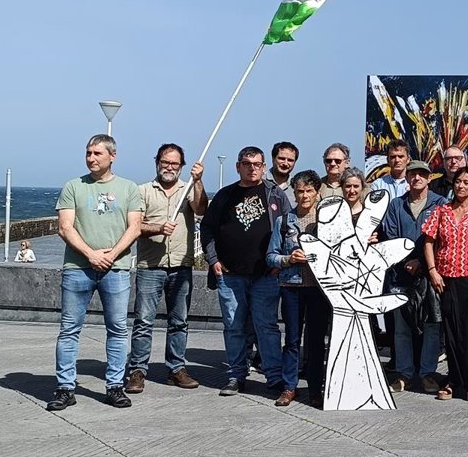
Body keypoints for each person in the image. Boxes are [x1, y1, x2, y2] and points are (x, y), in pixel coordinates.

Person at [47, 135, 144, 412]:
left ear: (112, 156)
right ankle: (65, 388)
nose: (91, 158)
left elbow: (135, 227)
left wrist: (111, 255)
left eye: (97, 153)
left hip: (117, 269)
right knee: (69, 330)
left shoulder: (128, 188)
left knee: (117, 329)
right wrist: (91, 254)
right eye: (88, 153)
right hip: (78, 269)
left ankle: (114, 386)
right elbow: (65, 227)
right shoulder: (73, 186)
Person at [200, 146, 293, 398]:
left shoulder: (275, 194)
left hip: (266, 275)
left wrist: (280, 262)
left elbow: (290, 229)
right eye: (247, 164)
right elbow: (207, 228)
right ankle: (236, 376)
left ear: (264, 167)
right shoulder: (224, 195)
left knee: (267, 327)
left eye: (257, 164)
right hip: (230, 275)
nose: (252, 168)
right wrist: (213, 260)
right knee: (234, 327)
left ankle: (274, 377)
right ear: (238, 166)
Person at [125, 144, 207, 394]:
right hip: (150, 266)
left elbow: (201, 208)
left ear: (181, 166)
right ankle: (137, 370)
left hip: (181, 266)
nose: (170, 167)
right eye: (165, 162)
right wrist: (158, 228)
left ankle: (176, 369)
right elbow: (135, 226)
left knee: (179, 321)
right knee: (143, 321)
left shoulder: (188, 188)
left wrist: (198, 181)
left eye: (175, 163)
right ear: (157, 162)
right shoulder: (142, 191)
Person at [421, 167, 468, 401]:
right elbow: (428, 241)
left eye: (466, 182)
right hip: (446, 279)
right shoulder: (441, 211)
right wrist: (432, 271)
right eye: (458, 182)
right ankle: (454, 380)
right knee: (452, 331)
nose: (461, 186)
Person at [380, 160, 445, 394]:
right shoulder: (396, 205)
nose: (417, 178)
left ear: (429, 178)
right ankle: (404, 374)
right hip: (400, 274)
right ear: (407, 178)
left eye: (422, 174)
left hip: (430, 275)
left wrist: (422, 262)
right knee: (401, 327)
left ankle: (427, 373)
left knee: (431, 325)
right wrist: (407, 261)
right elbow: (390, 236)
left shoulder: (440, 204)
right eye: (413, 174)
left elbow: (442, 239)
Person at [265, 169, 326, 407]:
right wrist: (288, 259)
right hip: (291, 287)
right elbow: (271, 256)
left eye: (309, 191)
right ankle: (289, 387)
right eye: (300, 191)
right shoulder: (283, 221)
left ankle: (315, 388)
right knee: (291, 339)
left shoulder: (326, 222)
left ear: (317, 192)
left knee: (316, 341)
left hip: (319, 289)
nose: (304, 196)